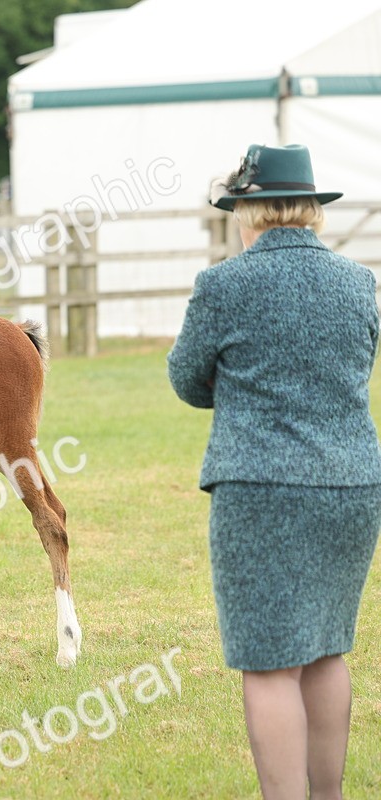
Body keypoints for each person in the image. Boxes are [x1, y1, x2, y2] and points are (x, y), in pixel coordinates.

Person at [168, 143, 381, 800]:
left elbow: (186, 379)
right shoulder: (360, 282)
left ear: (250, 210)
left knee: (268, 665)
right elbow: (357, 367)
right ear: (310, 208)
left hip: (260, 487)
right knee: (325, 650)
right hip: (352, 484)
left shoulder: (223, 285)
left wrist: (242, 390)